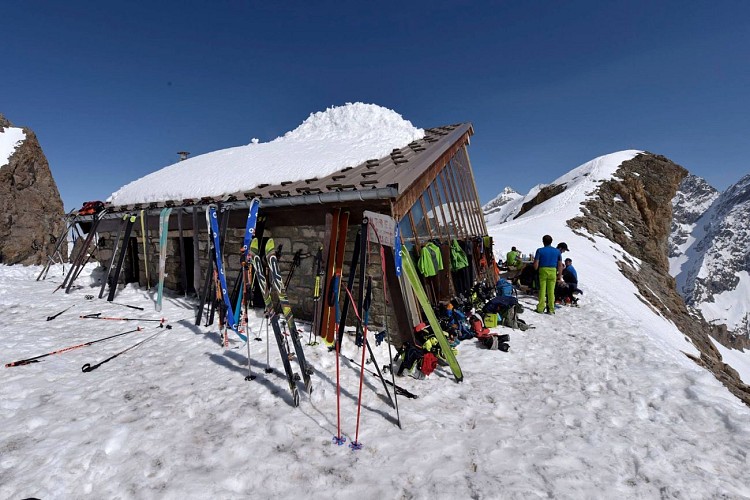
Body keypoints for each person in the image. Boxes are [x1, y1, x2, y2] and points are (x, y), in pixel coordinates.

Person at [533, 235, 563, 314]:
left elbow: (536, 264)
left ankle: (541, 308)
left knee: (542, 290)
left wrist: (536, 270)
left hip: (543, 270)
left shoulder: (540, 250)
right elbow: (560, 265)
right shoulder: (557, 252)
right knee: (551, 291)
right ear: (551, 241)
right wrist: (559, 275)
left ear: (543, 241)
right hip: (553, 271)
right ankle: (551, 308)